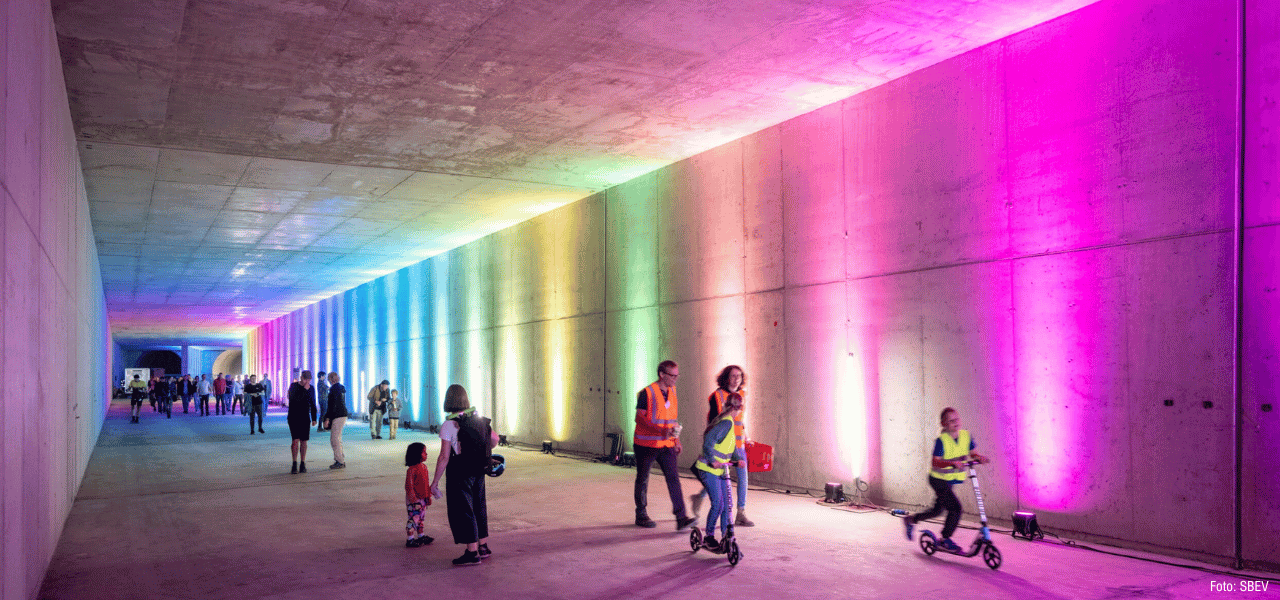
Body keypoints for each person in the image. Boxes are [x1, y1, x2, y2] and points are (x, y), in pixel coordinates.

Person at [429, 385, 499, 566]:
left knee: (465, 510)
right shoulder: (477, 418)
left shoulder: (449, 424)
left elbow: (444, 457)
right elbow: (495, 439)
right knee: (479, 506)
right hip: (478, 469)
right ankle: (483, 547)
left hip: (460, 471)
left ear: (448, 400)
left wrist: (435, 482)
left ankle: (472, 552)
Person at [903, 407, 989, 553]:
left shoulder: (965, 436)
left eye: (957, 419)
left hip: (948, 480)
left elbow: (973, 453)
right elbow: (935, 462)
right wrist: (951, 463)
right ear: (944, 424)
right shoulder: (941, 441)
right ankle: (945, 539)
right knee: (955, 508)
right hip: (938, 480)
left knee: (937, 510)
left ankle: (911, 520)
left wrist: (979, 457)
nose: (955, 422)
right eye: (951, 421)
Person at [632, 360, 695, 530]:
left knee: (674, 479)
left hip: (667, 444)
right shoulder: (647, 392)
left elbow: (672, 419)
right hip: (646, 444)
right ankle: (641, 515)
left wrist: (676, 440)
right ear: (661, 374)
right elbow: (639, 418)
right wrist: (661, 431)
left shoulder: (673, 392)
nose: (675, 378)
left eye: (677, 375)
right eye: (672, 375)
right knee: (643, 479)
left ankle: (681, 518)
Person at [690, 365, 753, 526]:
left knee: (743, 478)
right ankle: (700, 497)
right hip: (722, 447)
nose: (737, 379)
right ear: (726, 378)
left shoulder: (742, 395)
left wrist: (746, 436)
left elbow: (740, 420)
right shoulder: (717, 396)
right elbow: (712, 423)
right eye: (733, 376)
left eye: (739, 376)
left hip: (738, 445)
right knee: (718, 478)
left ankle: (741, 512)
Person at [693, 392, 744, 551]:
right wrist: (712, 460)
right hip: (708, 469)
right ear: (738, 409)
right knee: (719, 504)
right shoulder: (726, 423)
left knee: (728, 505)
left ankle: (726, 537)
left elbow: (730, 446)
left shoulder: (729, 422)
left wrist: (738, 459)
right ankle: (708, 537)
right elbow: (708, 442)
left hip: (721, 470)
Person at [286, 371, 319, 474]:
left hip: (305, 417)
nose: (307, 382)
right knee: (295, 440)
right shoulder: (293, 386)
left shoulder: (311, 388)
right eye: (305, 379)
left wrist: (314, 418)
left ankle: (303, 463)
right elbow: (294, 400)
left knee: (304, 441)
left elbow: (313, 403)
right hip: (293, 417)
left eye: (309, 380)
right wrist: (304, 389)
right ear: (301, 378)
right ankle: (294, 463)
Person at [404, 442, 434, 548]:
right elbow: (409, 486)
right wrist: (413, 499)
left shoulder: (424, 467)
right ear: (417, 454)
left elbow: (426, 484)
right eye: (424, 452)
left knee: (421, 518)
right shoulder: (412, 469)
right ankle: (410, 539)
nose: (426, 454)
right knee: (414, 519)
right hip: (415, 500)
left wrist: (428, 496)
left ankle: (421, 536)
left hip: (422, 499)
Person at [323, 372, 348, 469]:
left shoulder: (333, 389)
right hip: (343, 415)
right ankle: (340, 458)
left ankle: (340, 461)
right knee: (338, 438)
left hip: (337, 416)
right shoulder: (341, 388)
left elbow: (331, 405)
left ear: (331, 380)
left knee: (334, 439)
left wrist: (327, 418)